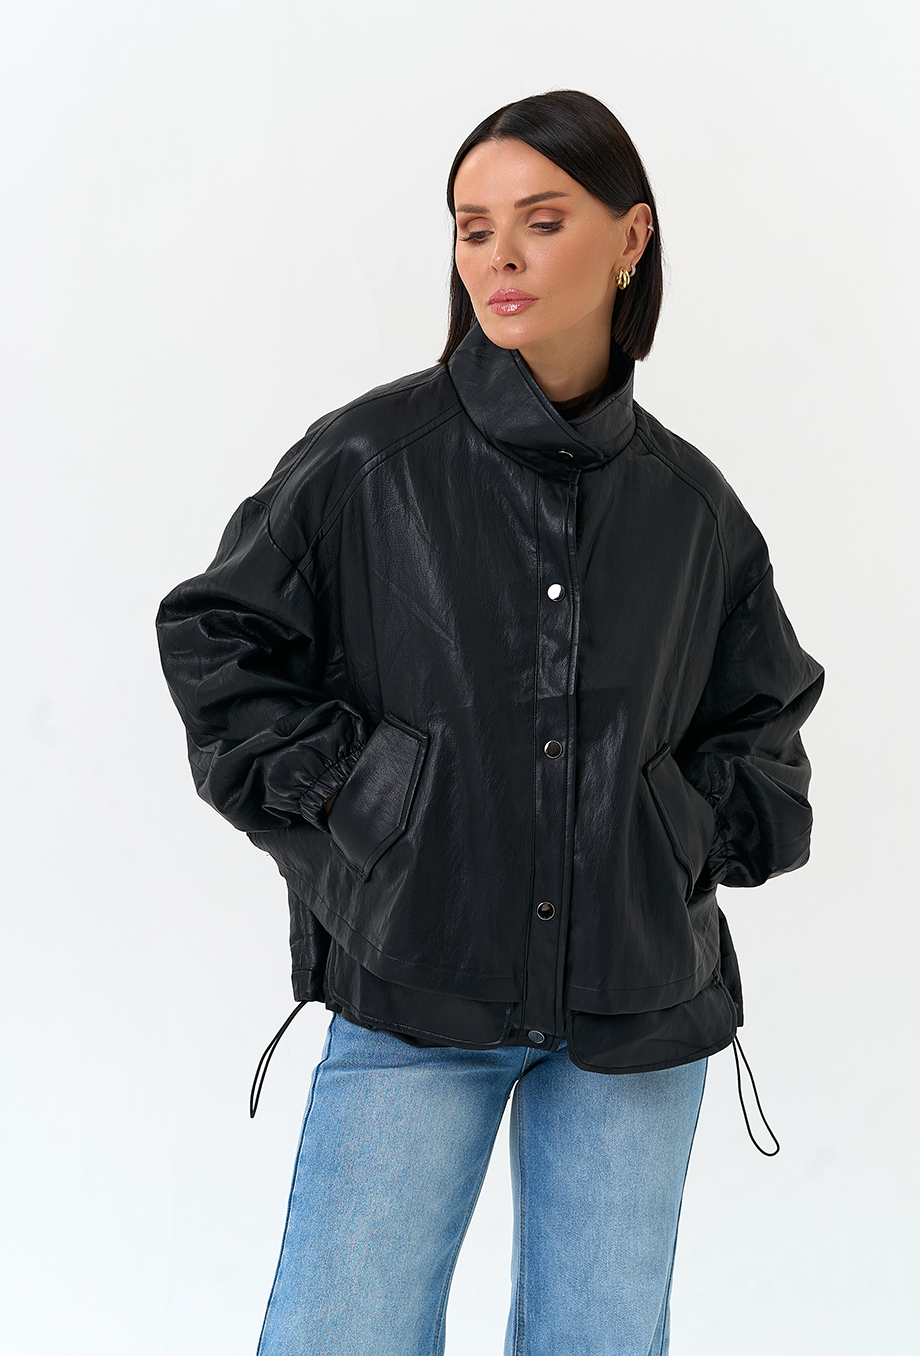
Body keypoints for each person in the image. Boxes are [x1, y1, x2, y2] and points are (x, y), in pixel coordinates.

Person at [156, 89, 824, 1356]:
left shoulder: (691, 508)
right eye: (472, 228)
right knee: (341, 1336)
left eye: (540, 221)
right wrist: (365, 803)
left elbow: (764, 724)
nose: (499, 258)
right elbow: (217, 637)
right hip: (417, 983)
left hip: (636, 1007)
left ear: (629, 240)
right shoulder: (368, 460)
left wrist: (673, 831)